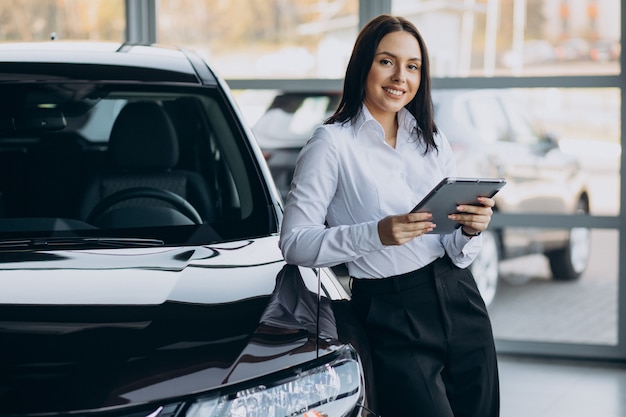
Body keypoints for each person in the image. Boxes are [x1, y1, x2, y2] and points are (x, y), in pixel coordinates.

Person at [279, 13, 500, 417]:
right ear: (364, 63)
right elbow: (293, 243)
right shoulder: (331, 144)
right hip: (390, 311)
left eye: (412, 66)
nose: (400, 76)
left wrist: (470, 231)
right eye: (387, 61)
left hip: (459, 297)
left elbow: (452, 247)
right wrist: (377, 233)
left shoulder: (431, 139)